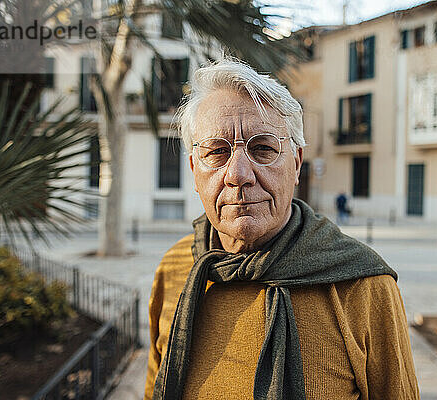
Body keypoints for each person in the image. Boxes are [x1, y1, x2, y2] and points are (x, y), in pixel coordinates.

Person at [144, 58, 420, 400]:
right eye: (216, 152)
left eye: (263, 149)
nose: (238, 174)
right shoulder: (175, 268)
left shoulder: (363, 286)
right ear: (193, 170)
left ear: (296, 163)